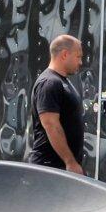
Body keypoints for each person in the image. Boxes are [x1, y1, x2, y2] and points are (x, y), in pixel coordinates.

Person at [29, 35, 85, 174]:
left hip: (61, 167)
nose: (81, 62)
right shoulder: (49, 82)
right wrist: (70, 162)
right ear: (65, 54)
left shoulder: (62, 82)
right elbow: (50, 124)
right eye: (78, 56)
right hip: (49, 168)